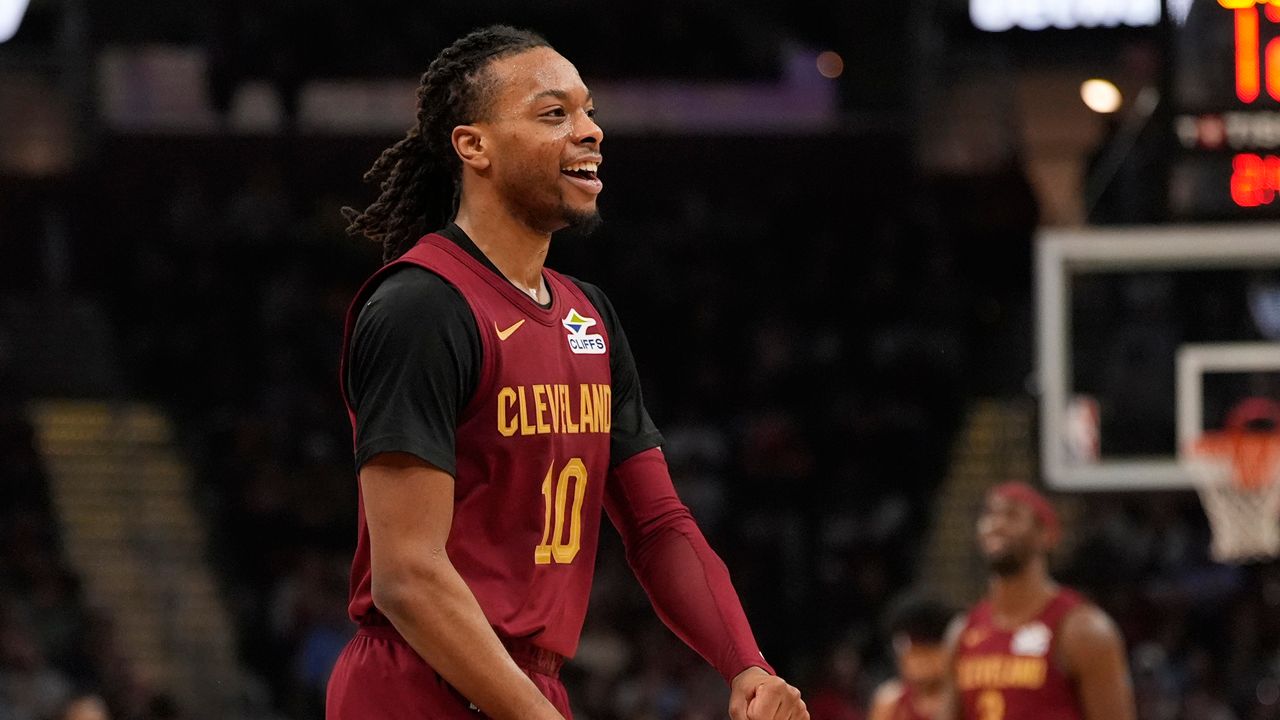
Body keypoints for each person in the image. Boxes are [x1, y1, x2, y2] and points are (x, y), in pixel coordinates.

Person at [325, 25, 808, 720]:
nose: (590, 131)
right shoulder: (422, 306)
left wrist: (747, 663)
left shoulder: (589, 316)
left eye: (589, 111)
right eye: (555, 114)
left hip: (526, 686)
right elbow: (407, 577)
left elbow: (656, 523)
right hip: (419, 682)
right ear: (474, 146)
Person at [939, 482, 1136, 720]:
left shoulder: (1083, 629)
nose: (996, 524)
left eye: (1012, 515)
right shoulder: (962, 631)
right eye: (989, 514)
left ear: (1046, 535)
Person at [867, 594, 952, 720]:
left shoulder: (965, 697)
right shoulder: (891, 703)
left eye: (924, 653)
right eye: (910, 654)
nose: (917, 663)